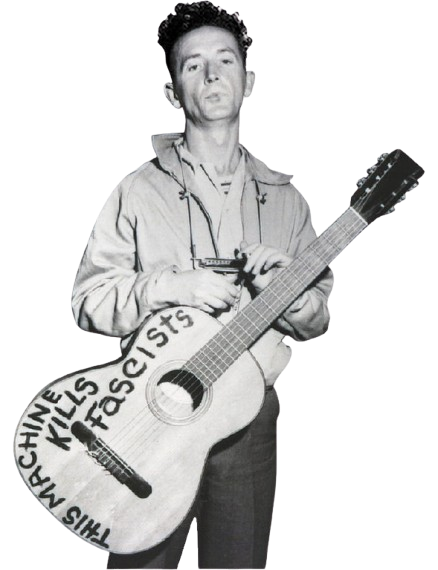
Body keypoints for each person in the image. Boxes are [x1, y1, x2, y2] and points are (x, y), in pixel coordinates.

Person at [71, 2, 334, 568]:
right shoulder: (136, 192)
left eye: (225, 60)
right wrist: (169, 287)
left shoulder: (289, 201)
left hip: (249, 417)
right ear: (172, 92)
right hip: (152, 409)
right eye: (193, 65)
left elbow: (317, 320)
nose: (212, 75)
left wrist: (282, 290)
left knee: (236, 565)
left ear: (250, 80)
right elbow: (88, 302)